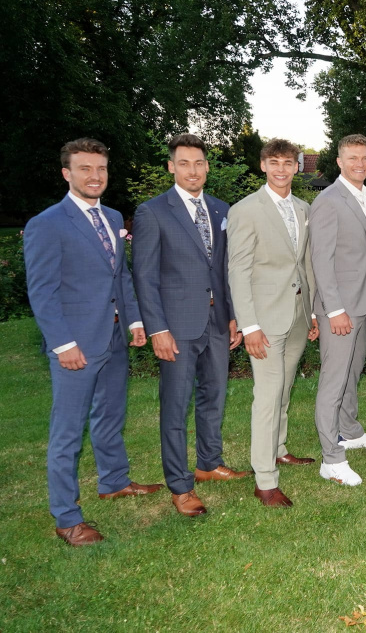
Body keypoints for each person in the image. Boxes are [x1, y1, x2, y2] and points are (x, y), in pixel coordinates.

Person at [24, 138, 162, 546]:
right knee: (67, 432)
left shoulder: (112, 216)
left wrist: (134, 320)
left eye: (100, 168)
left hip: (114, 337)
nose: (95, 176)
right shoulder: (47, 223)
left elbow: (120, 276)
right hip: (76, 344)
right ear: (67, 173)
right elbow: (42, 291)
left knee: (110, 415)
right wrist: (62, 344)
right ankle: (67, 518)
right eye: (85, 168)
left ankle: (114, 481)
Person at [132, 134, 247, 518]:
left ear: (207, 166)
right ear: (171, 167)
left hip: (217, 321)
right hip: (176, 326)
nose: (192, 170)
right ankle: (180, 486)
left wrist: (233, 315)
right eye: (184, 163)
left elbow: (225, 268)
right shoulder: (153, 212)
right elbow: (144, 276)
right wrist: (157, 329)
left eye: (198, 163)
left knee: (214, 396)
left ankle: (209, 463)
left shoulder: (220, 209)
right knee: (176, 406)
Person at [228, 138, 322, 507]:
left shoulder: (303, 208)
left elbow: (306, 263)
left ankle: (279, 449)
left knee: (283, 389)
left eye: (288, 163)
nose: (281, 169)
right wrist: (249, 326)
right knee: (267, 395)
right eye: (274, 162)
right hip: (264, 320)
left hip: (297, 314)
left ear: (297, 167)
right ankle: (265, 479)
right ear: (263, 165)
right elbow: (238, 271)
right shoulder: (245, 210)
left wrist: (312, 313)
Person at [309, 134, 366, 476]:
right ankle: (332, 459)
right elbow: (320, 261)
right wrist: (334, 309)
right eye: (352, 158)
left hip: (361, 303)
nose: (359, 164)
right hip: (338, 307)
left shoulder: (363, 197)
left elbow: (364, 257)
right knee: (334, 381)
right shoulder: (328, 200)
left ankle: (349, 430)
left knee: (352, 372)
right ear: (339, 162)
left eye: (364, 157)